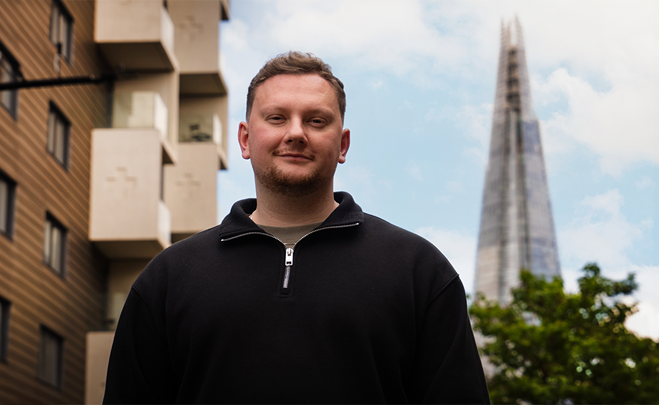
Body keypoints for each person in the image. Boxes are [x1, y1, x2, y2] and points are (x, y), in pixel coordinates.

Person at [103, 51, 490, 404]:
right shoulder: (168, 278)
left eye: (316, 120)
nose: (296, 133)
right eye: (276, 118)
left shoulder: (419, 270)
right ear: (245, 139)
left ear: (342, 144)